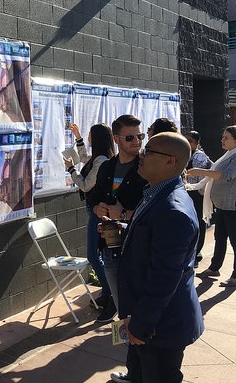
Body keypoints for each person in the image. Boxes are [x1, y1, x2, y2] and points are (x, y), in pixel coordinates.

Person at [114, 132, 204, 383]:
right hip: (149, 317)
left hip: (160, 324)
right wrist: (122, 229)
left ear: (170, 162)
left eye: (149, 151)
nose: (140, 154)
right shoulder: (157, 193)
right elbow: (155, 240)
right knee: (141, 372)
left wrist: (140, 325)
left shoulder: (173, 209)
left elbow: (164, 277)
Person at [87, 114, 147, 324]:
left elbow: (155, 209)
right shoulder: (106, 167)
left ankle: (140, 345)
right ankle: (129, 346)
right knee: (122, 307)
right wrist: (96, 207)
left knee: (141, 303)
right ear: (116, 139)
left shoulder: (147, 168)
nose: (137, 141)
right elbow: (92, 197)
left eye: (140, 136)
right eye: (130, 138)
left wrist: (124, 214)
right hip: (111, 243)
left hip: (139, 246)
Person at [188, 125, 236, 287]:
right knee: (220, 238)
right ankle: (214, 268)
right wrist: (192, 185)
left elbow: (225, 175)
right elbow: (212, 176)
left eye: (226, 138)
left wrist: (200, 171)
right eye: (223, 136)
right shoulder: (229, 154)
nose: (222, 140)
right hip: (224, 205)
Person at [63, 123, 115, 309]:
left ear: (98, 138)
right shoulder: (99, 158)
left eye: (90, 135)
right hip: (96, 210)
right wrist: (78, 138)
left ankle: (110, 293)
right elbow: (85, 158)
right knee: (99, 254)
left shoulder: (102, 161)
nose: (88, 137)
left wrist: (70, 169)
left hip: (97, 212)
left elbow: (85, 185)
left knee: (93, 255)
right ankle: (108, 292)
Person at [183, 131, 213, 267]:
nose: (187, 143)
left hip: (197, 194)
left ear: (197, 143)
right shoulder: (184, 153)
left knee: (198, 225)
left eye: (190, 141)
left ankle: (195, 254)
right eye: (185, 140)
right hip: (187, 193)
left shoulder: (199, 157)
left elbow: (197, 180)